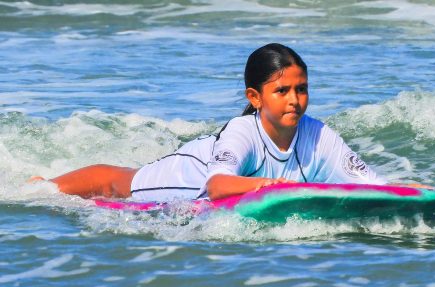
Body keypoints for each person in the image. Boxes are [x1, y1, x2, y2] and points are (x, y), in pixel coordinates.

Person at [39, 43, 385, 201]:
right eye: (282, 90)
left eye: (302, 89)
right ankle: (39, 185)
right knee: (119, 184)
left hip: (219, 169)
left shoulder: (318, 133)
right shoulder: (243, 131)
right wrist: (270, 186)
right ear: (255, 97)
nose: (295, 99)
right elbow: (218, 186)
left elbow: (370, 182)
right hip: (189, 173)